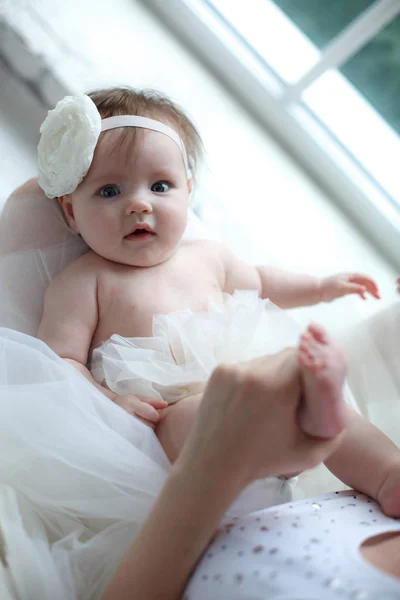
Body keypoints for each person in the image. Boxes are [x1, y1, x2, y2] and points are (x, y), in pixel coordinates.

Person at [36, 87, 400, 517]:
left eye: (159, 185)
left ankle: (386, 474)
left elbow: (263, 282)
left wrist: (321, 287)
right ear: (72, 212)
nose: (139, 204)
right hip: (167, 415)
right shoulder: (83, 282)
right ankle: (288, 449)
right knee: (210, 420)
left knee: (317, 398)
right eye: (110, 192)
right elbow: (59, 363)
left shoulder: (205, 255)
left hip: (255, 383)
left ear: (187, 191)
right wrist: (111, 402)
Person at [101, 347, 400, 600]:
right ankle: (387, 470)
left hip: (182, 511)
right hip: (270, 495)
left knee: (178, 421)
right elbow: (65, 360)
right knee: (300, 411)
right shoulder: (87, 283)